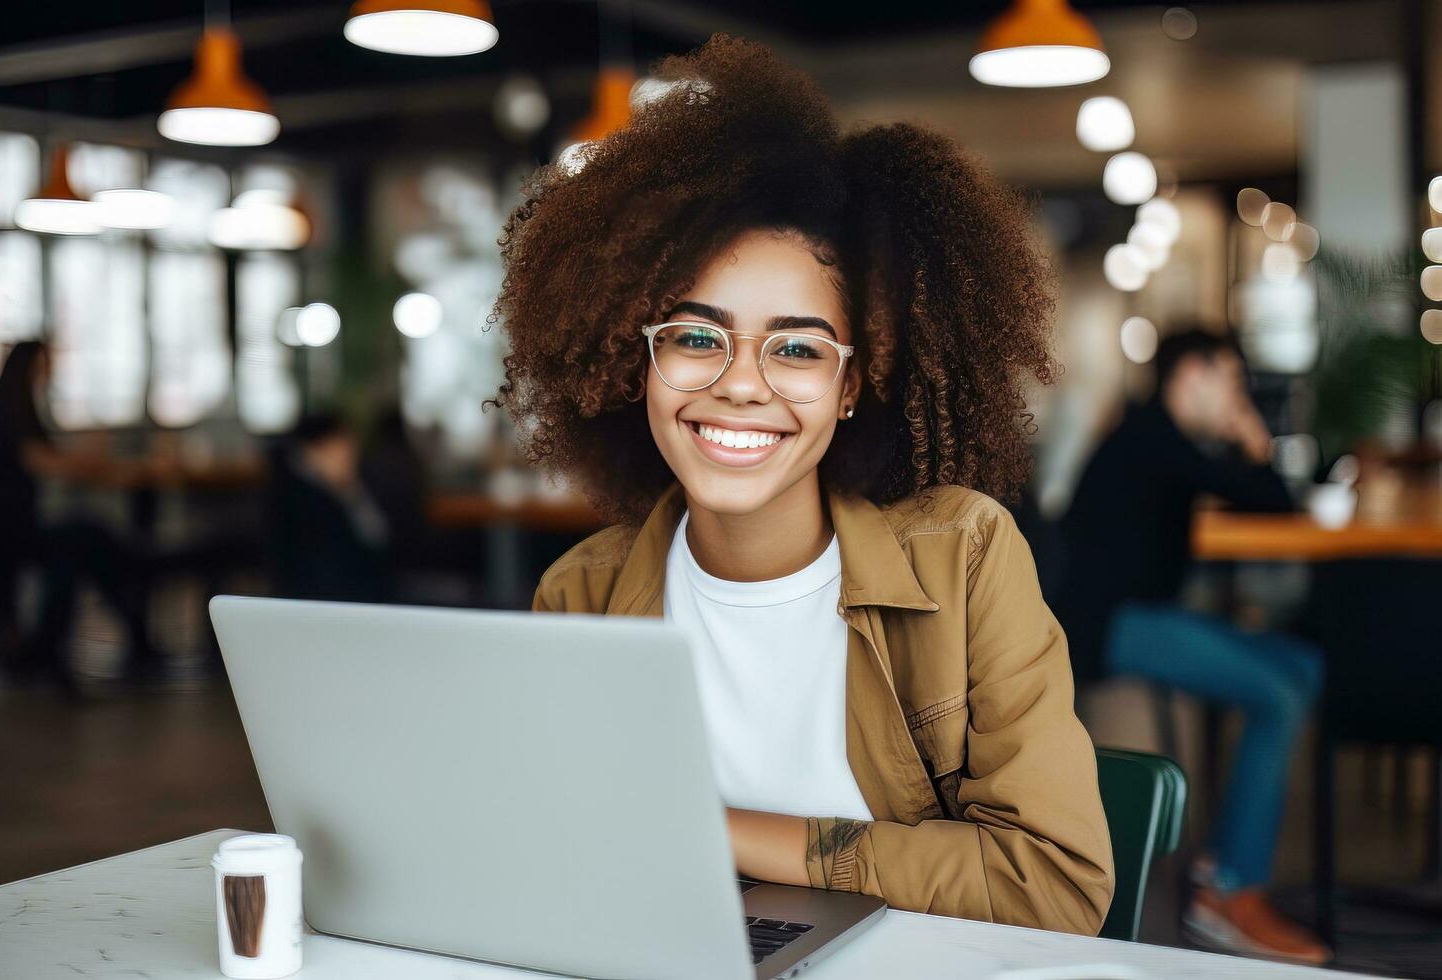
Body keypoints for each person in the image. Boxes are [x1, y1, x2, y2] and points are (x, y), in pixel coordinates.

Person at [491, 36, 1114, 934]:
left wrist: (731, 833)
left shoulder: (965, 561)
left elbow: (1052, 887)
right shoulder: (581, 593)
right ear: (640, 363)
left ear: (851, 387)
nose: (741, 384)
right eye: (697, 337)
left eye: (796, 349)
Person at [1055, 328, 1328, 963]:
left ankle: (1223, 870)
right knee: (1280, 694)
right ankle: (1229, 892)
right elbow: (1273, 501)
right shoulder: (1157, 438)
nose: (1237, 397)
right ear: (1192, 377)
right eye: (1230, 381)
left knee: (1304, 666)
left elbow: (1271, 505)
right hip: (1112, 627)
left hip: (1140, 617)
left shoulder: (1159, 437)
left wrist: (1242, 442)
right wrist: (1252, 439)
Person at [0, 340, 160, 690]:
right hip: (1, 533)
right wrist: (102, 467)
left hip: (15, 527)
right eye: (45, 364)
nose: (49, 372)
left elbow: (47, 457)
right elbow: (42, 461)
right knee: (83, 544)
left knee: (86, 543)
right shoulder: (3, 408)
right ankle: (117, 636)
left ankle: (63, 645)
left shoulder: (18, 406)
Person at [267, 413, 392, 603]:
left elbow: (381, 539)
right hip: (330, 604)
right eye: (340, 447)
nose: (350, 455)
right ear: (313, 451)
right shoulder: (299, 501)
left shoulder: (349, 489)